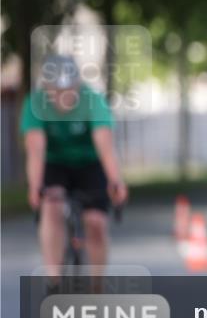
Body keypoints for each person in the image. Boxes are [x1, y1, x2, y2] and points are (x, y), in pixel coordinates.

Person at [20, 54, 128, 286]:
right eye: (56, 91)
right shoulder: (35, 103)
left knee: (96, 223)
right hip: (54, 163)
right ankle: (54, 279)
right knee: (52, 208)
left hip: (90, 162)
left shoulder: (93, 100)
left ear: (78, 85)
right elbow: (36, 150)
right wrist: (35, 186)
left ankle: (97, 285)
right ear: (46, 88)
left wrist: (115, 181)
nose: (63, 97)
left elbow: (105, 146)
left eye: (69, 90)